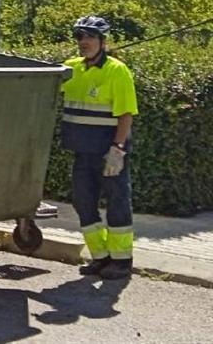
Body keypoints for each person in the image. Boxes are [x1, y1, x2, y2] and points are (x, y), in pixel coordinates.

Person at [61, 15, 139, 281]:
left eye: (90, 37)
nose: (84, 42)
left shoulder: (117, 71)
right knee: (83, 202)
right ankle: (101, 256)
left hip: (109, 153)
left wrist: (118, 149)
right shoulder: (70, 68)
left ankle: (121, 261)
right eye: (80, 37)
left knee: (117, 203)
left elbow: (126, 114)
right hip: (82, 152)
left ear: (102, 42)